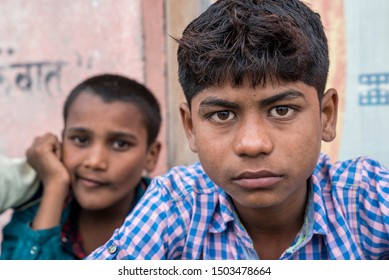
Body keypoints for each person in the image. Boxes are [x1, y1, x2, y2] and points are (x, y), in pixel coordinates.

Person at [87, 0, 389, 260]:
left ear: (326, 115)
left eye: (281, 110)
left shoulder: (364, 197)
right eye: (222, 114)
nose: (252, 144)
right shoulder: (177, 205)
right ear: (190, 127)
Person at [0, 74, 161, 259]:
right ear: (62, 142)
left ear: (151, 155)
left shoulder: (172, 217)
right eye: (81, 140)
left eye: (120, 144)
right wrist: (55, 185)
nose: (94, 162)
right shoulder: (36, 207)